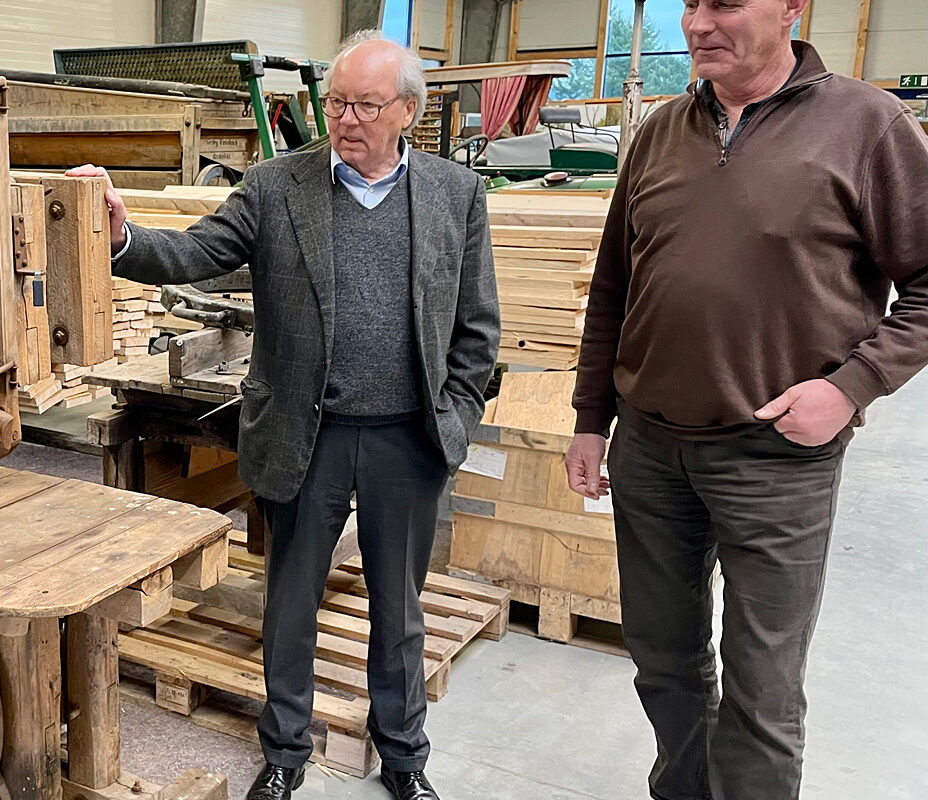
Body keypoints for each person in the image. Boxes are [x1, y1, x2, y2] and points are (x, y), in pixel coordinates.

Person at [71, 31, 498, 800]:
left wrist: (457, 421)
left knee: (399, 613)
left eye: (366, 105)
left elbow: (477, 328)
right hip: (309, 433)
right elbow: (194, 253)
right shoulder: (276, 187)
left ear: (407, 110)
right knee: (291, 601)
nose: (346, 119)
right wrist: (123, 236)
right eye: (336, 102)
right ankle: (285, 754)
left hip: (409, 438)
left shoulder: (453, 195)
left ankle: (404, 760)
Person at [564, 1, 928, 797]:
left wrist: (850, 388)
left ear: (792, 6)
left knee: (762, 690)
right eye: (689, 3)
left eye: (723, 3)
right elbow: (613, 288)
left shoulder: (869, 126)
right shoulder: (662, 130)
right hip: (651, 453)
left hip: (776, 459)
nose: (697, 23)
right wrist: (591, 420)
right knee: (663, 661)